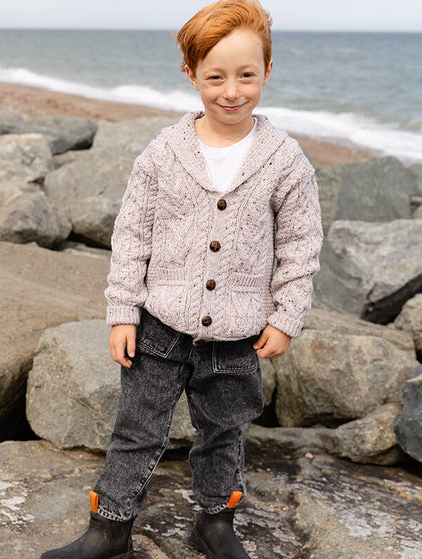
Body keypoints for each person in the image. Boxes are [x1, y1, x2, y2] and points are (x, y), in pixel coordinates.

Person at [41, 0, 322, 557]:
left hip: (238, 332)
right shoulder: (164, 153)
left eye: (247, 75)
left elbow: (300, 246)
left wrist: (286, 318)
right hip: (159, 325)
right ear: (191, 75)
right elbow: (132, 235)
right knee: (137, 429)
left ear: (267, 71)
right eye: (215, 77)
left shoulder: (286, 160)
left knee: (224, 433)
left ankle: (215, 522)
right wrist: (122, 312)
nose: (231, 91)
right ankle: (110, 528)